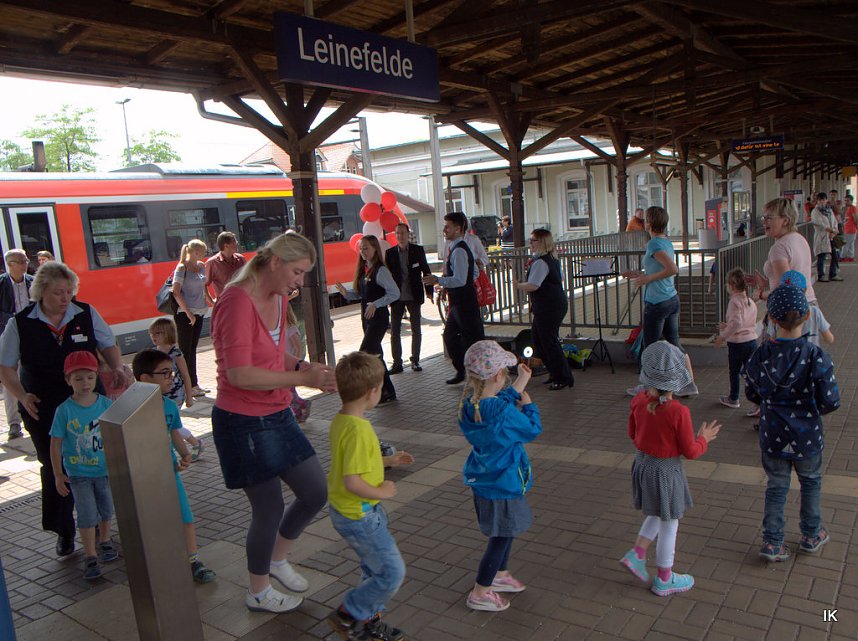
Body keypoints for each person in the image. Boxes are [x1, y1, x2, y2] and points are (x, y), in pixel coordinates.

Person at [210, 232, 335, 614]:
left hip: (276, 413)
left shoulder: (278, 299)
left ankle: (277, 558)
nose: (299, 281)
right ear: (276, 262)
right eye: (297, 271)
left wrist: (302, 366)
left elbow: (273, 356)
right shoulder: (235, 301)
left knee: (315, 491)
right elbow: (241, 374)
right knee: (268, 509)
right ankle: (258, 589)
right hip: (242, 420)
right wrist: (302, 379)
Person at [0, 262, 128, 557]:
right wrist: (22, 396)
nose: (65, 297)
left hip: (88, 403)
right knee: (55, 466)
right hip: (42, 406)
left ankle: (97, 526)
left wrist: (116, 365)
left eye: (69, 291)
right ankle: (65, 531)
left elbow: (108, 344)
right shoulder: (20, 324)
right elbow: (5, 367)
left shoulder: (85, 313)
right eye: (58, 292)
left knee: (95, 461)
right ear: (41, 291)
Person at [743, 285, 840, 562]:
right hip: (807, 435)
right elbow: (831, 400)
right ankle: (811, 534)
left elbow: (752, 391)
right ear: (807, 314)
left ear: (772, 319)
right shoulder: (815, 356)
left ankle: (773, 542)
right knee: (810, 482)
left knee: (776, 485)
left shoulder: (761, 355)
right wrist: (812, 410)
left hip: (773, 435)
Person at [619, 341, 720, 597]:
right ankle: (665, 578)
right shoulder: (678, 411)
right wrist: (704, 438)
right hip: (666, 472)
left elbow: (632, 433)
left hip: (643, 464)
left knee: (656, 511)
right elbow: (691, 451)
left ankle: (638, 553)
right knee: (669, 523)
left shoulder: (639, 401)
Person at [326, 351, 413, 641]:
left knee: (373, 570)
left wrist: (388, 462)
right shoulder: (359, 430)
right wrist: (382, 491)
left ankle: (367, 623)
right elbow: (352, 481)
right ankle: (349, 613)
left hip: (351, 511)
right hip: (360, 514)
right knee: (391, 573)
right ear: (372, 392)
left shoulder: (342, 420)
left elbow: (352, 465)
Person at [458, 340, 541, 612]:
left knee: (504, 530)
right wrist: (528, 405)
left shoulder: (470, 406)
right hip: (504, 482)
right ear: (497, 375)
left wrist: (521, 382)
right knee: (502, 537)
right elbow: (531, 429)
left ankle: (501, 574)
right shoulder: (502, 412)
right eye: (505, 370)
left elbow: (498, 400)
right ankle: (481, 590)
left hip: (484, 480)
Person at [132, 349, 216, 583]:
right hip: (144, 477)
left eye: (172, 372)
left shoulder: (169, 407)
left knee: (185, 516)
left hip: (169, 473)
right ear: (145, 379)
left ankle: (192, 559)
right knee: (153, 520)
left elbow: (174, 432)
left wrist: (184, 453)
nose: (171, 378)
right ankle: (158, 562)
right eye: (165, 373)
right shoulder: (133, 410)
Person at [49, 351, 117, 580]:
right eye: (78, 378)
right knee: (87, 514)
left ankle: (105, 540)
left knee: (107, 509)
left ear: (96, 376)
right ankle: (90, 555)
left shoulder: (106, 404)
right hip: (78, 474)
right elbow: (55, 443)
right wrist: (58, 474)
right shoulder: (64, 411)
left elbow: (116, 434)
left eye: (89, 377)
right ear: (68, 380)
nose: (85, 383)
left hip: (104, 471)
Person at [622, 206, 697, 397]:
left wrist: (645, 280)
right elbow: (661, 270)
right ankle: (688, 384)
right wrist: (639, 274)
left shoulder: (654, 244)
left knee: (650, 347)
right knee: (674, 343)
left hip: (657, 303)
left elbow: (672, 269)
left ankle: (647, 387)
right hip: (670, 299)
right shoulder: (666, 242)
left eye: (646, 219)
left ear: (649, 222)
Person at [335, 235, 400, 403]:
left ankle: (368, 391)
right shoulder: (365, 268)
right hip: (367, 319)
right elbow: (360, 294)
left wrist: (376, 304)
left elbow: (394, 293)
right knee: (376, 355)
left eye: (366, 248)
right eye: (361, 249)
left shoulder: (381, 270)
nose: (363, 252)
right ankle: (387, 392)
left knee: (366, 353)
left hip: (378, 319)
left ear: (375, 249)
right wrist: (346, 293)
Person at [424, 212, 485, 385]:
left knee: (472, 338)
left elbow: (459, 279)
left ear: (458, 229)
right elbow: (473, 272)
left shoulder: (459, 250)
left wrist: (439, 280)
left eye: (447, 226)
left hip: (463, 302)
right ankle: (462, 370)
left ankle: (481, 374)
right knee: (451, 336)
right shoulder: (459, 247)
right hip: (460, 301)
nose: (444, 230)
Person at [516, 229, 573, 390]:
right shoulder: (550, 258)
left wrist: (518, 285)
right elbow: (559, 277)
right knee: (540, 341)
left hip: (550, 306)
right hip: (551, 304)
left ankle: (563, 377)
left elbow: (534, 285)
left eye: (533, 240)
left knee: (548, 342)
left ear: (541, 242)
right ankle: (556, 373)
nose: (530, 243)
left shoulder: (541, 262)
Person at [148, 317, 203, 460]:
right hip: (162, 393)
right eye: (152, 334)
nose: (154, 337)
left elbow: (185, 375)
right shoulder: (154, 353)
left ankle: (194, 443)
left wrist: (189, 397)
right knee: (169, 421)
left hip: (176, 394)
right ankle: (194, 443)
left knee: (170, 421)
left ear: (167, 333)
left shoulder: (176, 353)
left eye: (157, 333)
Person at [384, 223, 432, 374]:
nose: (400, 236)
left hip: (413, 295)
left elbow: (426, 270)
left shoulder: (417, 250)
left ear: (408, 234)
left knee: (416, 329)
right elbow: (386, 276)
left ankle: (415, 360)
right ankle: (397, 363)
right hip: (396, 297)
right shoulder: (390, 253)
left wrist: (429, 291)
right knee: (395, 331)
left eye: (403, 233)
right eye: (397, 233)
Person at [172, 239, 214, 398]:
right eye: (203, 252)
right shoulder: (182, 268)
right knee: (185, 351)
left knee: (193, 349)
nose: (205, 254)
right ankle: (186, 385)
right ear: (195, 252)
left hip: (199, 312)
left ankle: (194, 384)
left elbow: (204, 288)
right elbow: (176, 292)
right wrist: (188, 313)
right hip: (185, 315)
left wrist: (212, 301)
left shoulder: (201, 266)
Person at [0, 249, 33, 440]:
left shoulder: (33, 282)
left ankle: (32, 413)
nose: (25, 264)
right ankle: (14, 423)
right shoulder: (2, 284)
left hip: (30, 337)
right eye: (20, 261)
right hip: (7, 336)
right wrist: (14, 320)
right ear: (9, 264)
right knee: (9, 378)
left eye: (26, 260)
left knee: (31, 373)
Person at [714, 268, 757, 409]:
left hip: (737, 344)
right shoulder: (750, 301)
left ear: (731, 285)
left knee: (735, 372)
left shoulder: (734, 302)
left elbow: (737, 323)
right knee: (751, 372)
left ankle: (734, 398)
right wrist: (728, 325)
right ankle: (758, 401)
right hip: (751, 341)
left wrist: (723, 335)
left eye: (727, 284)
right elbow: (743, 322)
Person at [762, 271, 833, 347]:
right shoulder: (814, 311)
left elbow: (771, 338)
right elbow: (829, 339)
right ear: (805, 290)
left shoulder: (776, 312)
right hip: (811, 356)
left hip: (784, 355)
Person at [810, 192, 842, 282]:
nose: (822, 202)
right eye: (820, 200)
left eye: (824, 200)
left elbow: (834, 221)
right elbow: (819, 224)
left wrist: (834, 231)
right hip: (822, 236)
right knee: (822, 255)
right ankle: (821, 275)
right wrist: (831, 230)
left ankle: (833, 273)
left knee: (835, 255)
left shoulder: (829, 210)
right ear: (817, 201)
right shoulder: (815, 211)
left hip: (831, 236)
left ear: (826, 200)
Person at [205, 231, 246, 301]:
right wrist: (211, 301)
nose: (237, 243)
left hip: (242, 300)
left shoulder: (241, 259)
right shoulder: (212, 263)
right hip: (225, 302)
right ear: (226, 246)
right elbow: (204, 284)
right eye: (234, 242)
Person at [841, 194, 856, 261]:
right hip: (848, 228)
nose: (846, 202)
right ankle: (850, 256)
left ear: (851, 201)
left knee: (846, 243)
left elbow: (855, 218)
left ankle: (842, 256)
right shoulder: (848, 208)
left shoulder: (853, 208)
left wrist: (856, 225)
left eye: (847, 200)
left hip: (850, 229)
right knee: (850, 244)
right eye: (845, 200)